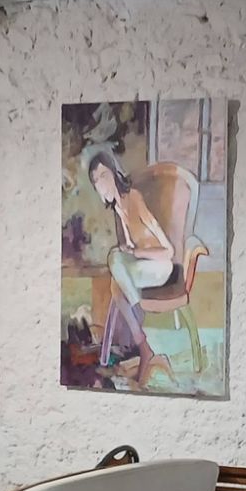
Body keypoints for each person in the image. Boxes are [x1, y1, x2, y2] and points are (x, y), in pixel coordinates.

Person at [86, 151, 173, 377]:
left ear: (115, 173)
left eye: (104, 175)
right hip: (141, 269)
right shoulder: (118, 209)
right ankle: (143, 347)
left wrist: (136, 252)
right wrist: (130, 251)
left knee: (116, 267)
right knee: (116, 280)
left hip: (160, 267)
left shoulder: (134, 198)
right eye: (96, 181)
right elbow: (129, 251)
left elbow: (168, 251)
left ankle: (137, 316)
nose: (101, 184)